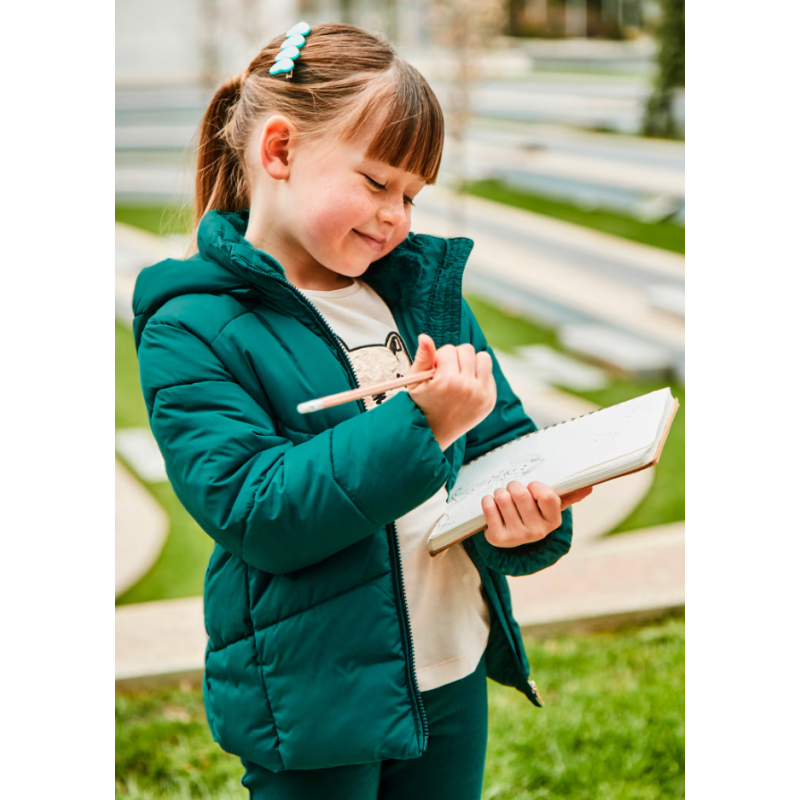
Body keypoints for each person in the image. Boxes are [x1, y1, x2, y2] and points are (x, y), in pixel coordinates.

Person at [132, 22, 591, 800]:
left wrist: (530, 520)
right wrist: (423, 426)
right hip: (313, 701)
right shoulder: (192, 326)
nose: (397, 217)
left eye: (411, 195)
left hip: (453, 666)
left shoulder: (422, 296)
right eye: (377, 183)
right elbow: (256, 508)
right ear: (278, 151)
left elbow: (503, 443)